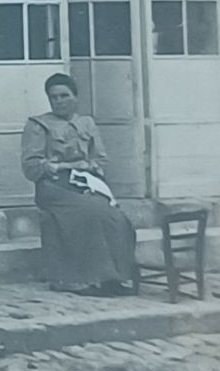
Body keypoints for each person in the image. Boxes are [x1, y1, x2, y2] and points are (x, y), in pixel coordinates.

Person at [21, 73, 138, 296]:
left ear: (75, 97)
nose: (59, 101)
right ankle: (88, 278)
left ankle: (114, 277)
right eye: (53, 97)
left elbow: (101, 158)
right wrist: (59, 166)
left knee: (116, 217)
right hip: (54, 188)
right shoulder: (38, 125)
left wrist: (91, 166)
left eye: (64, 95)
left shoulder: (87, 123)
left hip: (87, 184)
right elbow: (30, 168)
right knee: (91, 213)